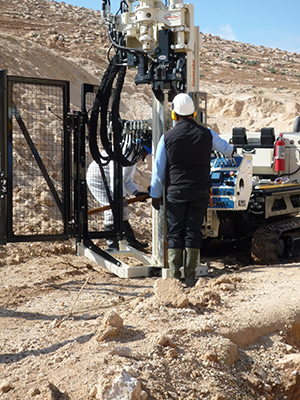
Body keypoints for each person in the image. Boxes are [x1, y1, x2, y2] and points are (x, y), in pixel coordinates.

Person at [150, 93, 234, 287]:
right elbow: (227, 149)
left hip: (176, 193)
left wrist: (155, 195)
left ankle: (174, 277)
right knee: (192, 231)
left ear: (174, 115)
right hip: (200, 192)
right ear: (194, 113)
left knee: (175, 232)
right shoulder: (207, 134)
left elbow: (158, 171)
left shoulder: (167, 138)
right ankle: (190, 278)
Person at [86, 148, 150, 252]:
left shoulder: (132, 157)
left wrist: (136, 193)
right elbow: (115, 177)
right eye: (145, 153)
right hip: (98, 180)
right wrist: (122, 197)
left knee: (121, 210)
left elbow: (126, 180)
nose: (144, 156)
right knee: (111, 208)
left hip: (111, 180)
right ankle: (112, 245)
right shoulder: (123, 152)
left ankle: (130, 240)